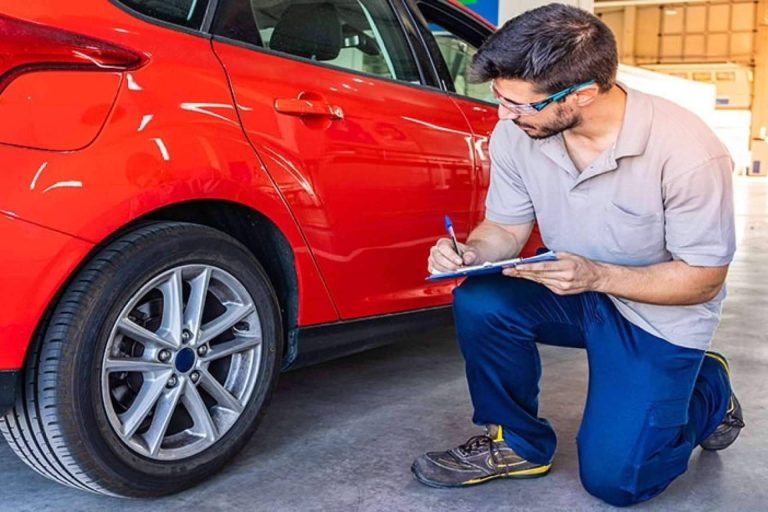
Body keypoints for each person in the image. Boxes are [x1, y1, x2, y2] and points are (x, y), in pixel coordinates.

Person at [411, 3, 744, 507]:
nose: (504, 114)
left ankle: (710, 387)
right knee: (481, 299)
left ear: (583, 94)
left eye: (519, 103)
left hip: (659, 315)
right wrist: (469, 250)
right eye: (499, 98)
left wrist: (597, 275)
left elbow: (702, 281)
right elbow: (505, 226)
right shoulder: (518, 133)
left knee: (618, 482)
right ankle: (518, 444)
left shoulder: (688, 152)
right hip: (572, 288)